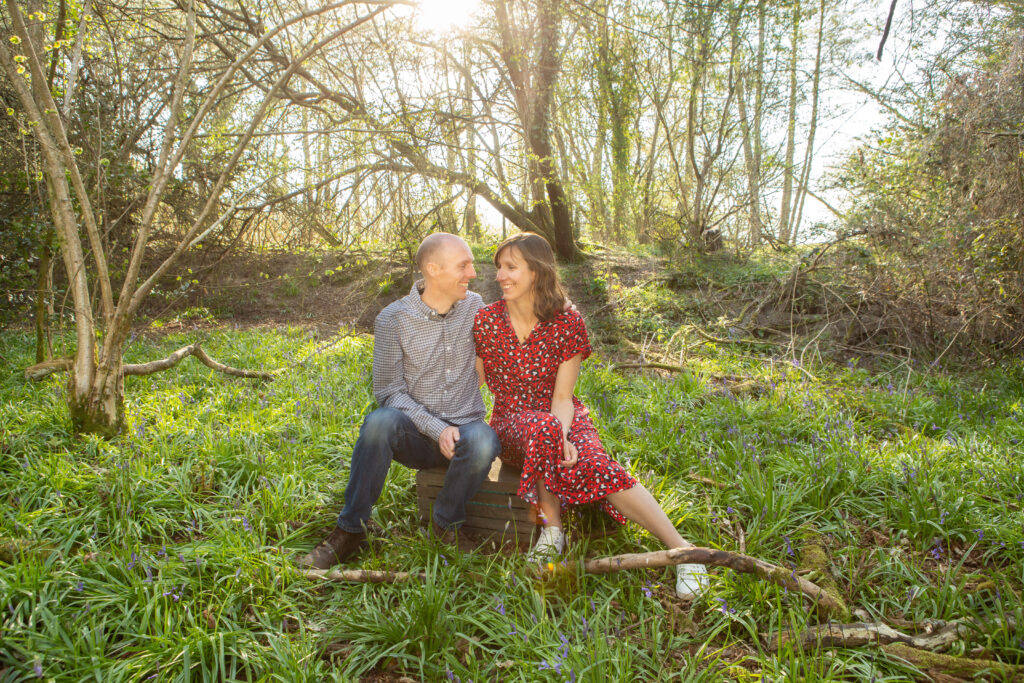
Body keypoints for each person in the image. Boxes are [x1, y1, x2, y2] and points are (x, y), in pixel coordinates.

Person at [472, 232, 710, 599]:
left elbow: (564, 397)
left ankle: (684, 551)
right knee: (542, 428)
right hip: (511, 424)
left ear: (536, 272)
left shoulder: (567, 323)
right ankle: (553, 530)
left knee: (595, 464)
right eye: (499, 267)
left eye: (511, 267)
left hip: (565, 417)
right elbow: (475, 382)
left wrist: (563, 434)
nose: (500, 275)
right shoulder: (486, 321)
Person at [300, 233, 500, 570]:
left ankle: (445, 525)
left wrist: (557, 304)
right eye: (463, 265)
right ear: (433, 269)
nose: (473, 273)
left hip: (466, 433)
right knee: (380, 421)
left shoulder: (475, 307)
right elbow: (389, 391)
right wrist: (437, 429)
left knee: (484, 440)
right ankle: (350, 530)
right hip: (416, 436)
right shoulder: (392, 319)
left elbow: (513, 326)